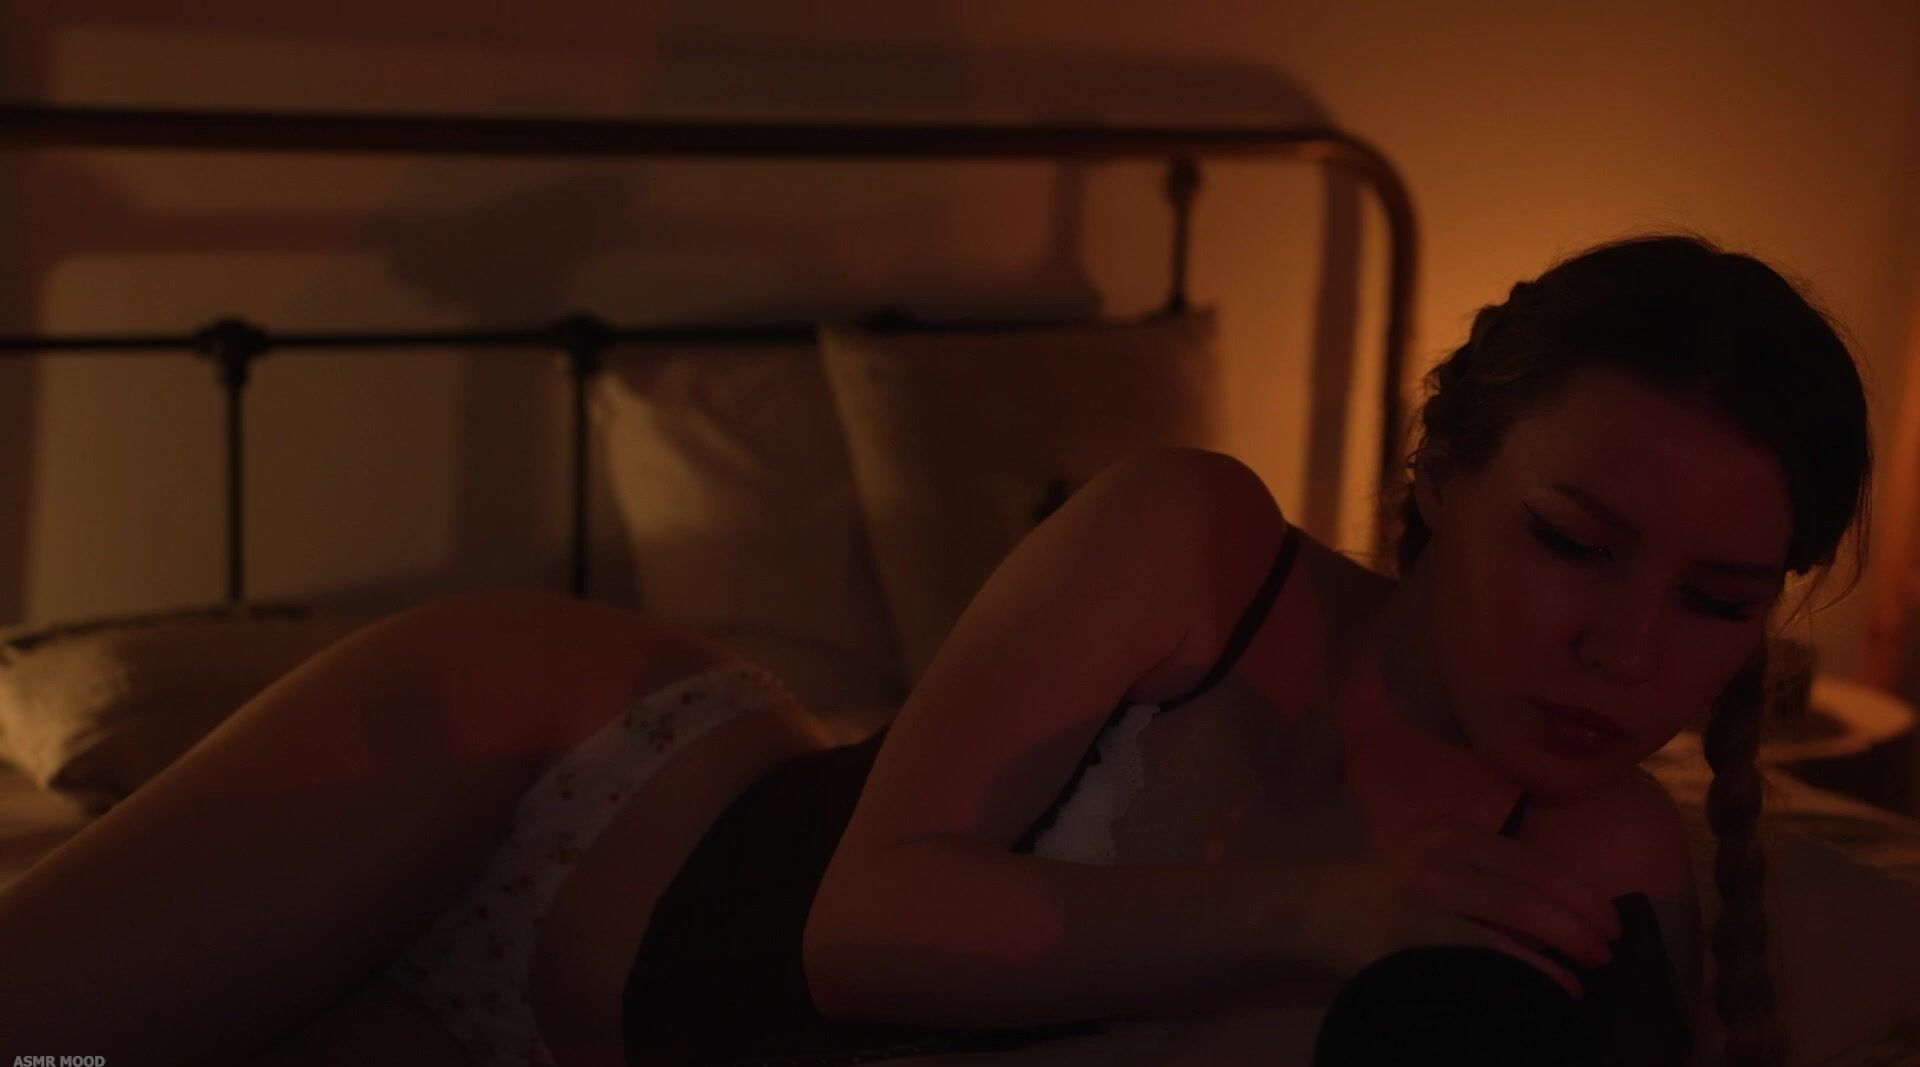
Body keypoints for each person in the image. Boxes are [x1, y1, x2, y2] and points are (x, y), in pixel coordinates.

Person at [0, 232, 1870, 1067]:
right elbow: (864, 929)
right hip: (546, 798)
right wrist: (1325, 913)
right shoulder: (1197, 539)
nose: (1625, 647)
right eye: (1573, 544)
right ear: (1443, 474)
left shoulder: (1603, 856)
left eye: (1719, 601)